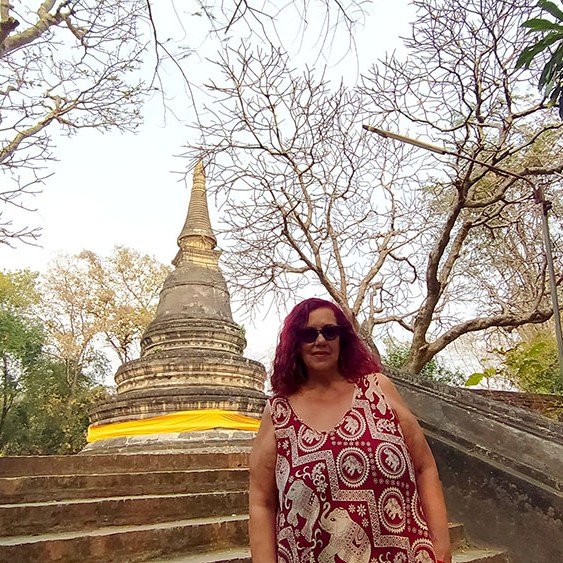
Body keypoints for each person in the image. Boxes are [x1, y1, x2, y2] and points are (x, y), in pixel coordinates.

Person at [249, 297, 452, 563]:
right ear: (295, 343)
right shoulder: (279, 413)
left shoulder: (377, 390)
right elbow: (261, 501)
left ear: (342, 337)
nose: (320, 341)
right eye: (308, 334)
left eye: (329, 331)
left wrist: (441, 547)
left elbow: (424, 467)